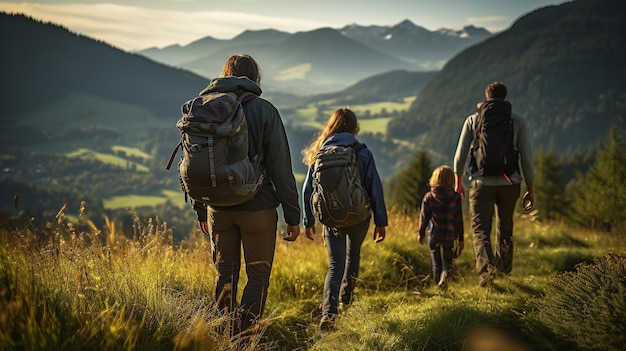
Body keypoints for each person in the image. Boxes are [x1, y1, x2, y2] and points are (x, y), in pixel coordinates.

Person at [193, 54, 301, 330]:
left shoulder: (205, 108)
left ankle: (222, 335)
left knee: (225, 274)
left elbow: (196, 164)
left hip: (218, 209)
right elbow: (281, 168)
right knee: (257, 277)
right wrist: (292, 215)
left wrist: (201, 208)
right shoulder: (265, 111)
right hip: (258, 207)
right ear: (254, 78)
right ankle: (245, 339)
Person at [301, 107, 388, 331]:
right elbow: (374, 187)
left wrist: (308, 220)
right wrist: (381, 221)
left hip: (331, 218)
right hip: (359, 217)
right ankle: (346, 300)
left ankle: (329, 314)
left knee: (335, 265)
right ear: (354, 128)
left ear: (332, 126)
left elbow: (308, 190)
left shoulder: (321, 151)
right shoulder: (362, 151)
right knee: (353, 255)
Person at [453, 81, 535, 287]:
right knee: (505, 227)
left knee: (481, 231)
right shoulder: (517, 121)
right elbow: (526, 158)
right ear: (505, 98)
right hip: (510, 184)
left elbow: (460, 155)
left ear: (487, 97)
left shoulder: (473, 120)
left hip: (481, 184)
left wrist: (458, 181)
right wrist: (530, 189)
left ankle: (487, 277)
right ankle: (505, 273)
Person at [418, 165, 464, 290]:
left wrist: (421, 234)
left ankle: (437, 287)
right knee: (447, 264)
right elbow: (459, 220)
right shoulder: (456, 197)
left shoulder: (429, 196)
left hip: (434, 235)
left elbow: (424, 218)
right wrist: (461, 239)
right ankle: (443, 281)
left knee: (436, 265)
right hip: (449, 236)